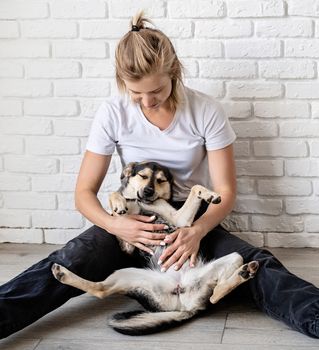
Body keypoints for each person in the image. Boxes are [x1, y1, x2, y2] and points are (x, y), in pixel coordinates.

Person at [0, 12, 318, 339]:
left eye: (157, 90)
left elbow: (225, 190)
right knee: (71, 258)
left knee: (259, 264)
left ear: (174, 72)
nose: (148, 102)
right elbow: (84, 192)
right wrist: (115, 224)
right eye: (137, 94)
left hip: (187, 220)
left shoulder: (205, 111)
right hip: (133, 220)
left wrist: (196, 231)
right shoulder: (113, 112)